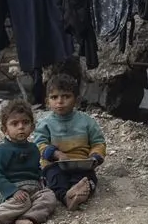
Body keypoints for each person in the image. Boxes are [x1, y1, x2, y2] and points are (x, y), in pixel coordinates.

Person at [0, 100, 59, 224]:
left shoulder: (34, 149)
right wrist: (12, 191)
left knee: (49, 197)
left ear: (32, 126)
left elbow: (36, 171)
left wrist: (42, 184)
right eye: (14, 124)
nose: (21, 127)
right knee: (22, 202)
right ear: (4, 129)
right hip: (5, 191)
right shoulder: (2, 150)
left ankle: (25, 218)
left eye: (25, 122)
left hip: (31, 189)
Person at [34, 73, 106, 210]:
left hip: (81, 164)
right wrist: (56, 153)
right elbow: (39, 145)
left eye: (66, 96)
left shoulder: (86, 121)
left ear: (76, 100)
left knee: (89, 178)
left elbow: (98, 142)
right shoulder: (45, 124)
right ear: (47, 101)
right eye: (54, 97)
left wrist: (95, 157)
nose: (59, 101)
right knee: (55, 179)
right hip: (54, 164)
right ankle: (67, 197)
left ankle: (78, 191)